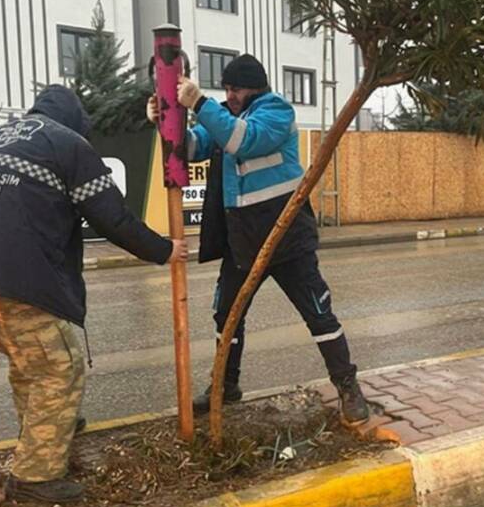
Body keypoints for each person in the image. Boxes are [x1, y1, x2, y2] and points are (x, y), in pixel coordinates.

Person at [0, 85, 187, 503]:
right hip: (16, 272)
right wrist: (164, 250)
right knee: (59, 366)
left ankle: (46, 432)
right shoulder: (68, 144)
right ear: (76, 122)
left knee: (28, 360)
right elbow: (113, 218)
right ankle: (36, 475)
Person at [146, 54, 369, 425]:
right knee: (227, 317)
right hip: (243, 241)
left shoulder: (276, 112)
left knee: (318, 312)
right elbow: (190, 148)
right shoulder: (225, 117)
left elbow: (244, 142)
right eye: (227, 89)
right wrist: (165, 123)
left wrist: (198, 103)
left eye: (237, 89)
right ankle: (225, 388)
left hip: (286, 237)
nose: (230, 95)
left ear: (256, 87)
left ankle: (348, 386)